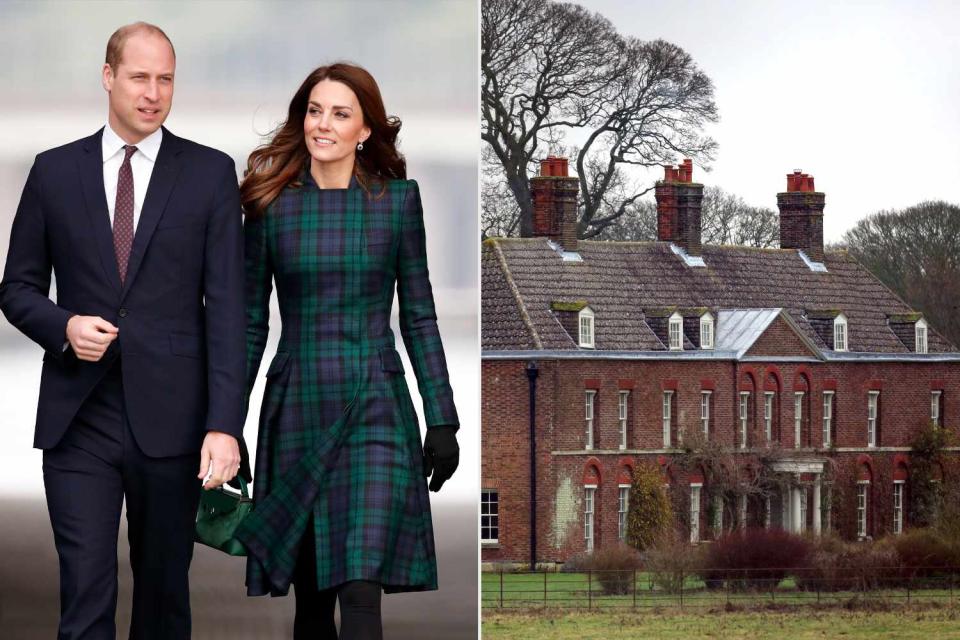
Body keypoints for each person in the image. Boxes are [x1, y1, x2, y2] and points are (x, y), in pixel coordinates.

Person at [0, 22, 245, 638]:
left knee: (164, 602)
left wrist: (224, 426)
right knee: (84, 594)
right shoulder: (54, 172)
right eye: (140, 77)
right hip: (78, 417)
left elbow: (228, 310)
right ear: (108, 77)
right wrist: (64, 326)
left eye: (165, 79)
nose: (153, 92)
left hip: (174, 422)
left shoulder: (210, 174)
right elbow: (16, 288)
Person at [236, 63, 460, 639]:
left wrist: (443, 419)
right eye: (315, 111)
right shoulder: (271, 206)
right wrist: (224, 419)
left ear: (365, 130)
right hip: (300, 404)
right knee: (312, 600)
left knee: (361, 586)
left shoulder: (398, 203)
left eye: (340, 113)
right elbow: (250, 324)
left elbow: (419, 314)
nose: (323, 124)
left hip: (376, 405)